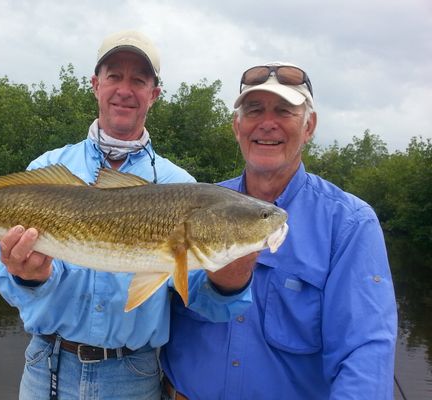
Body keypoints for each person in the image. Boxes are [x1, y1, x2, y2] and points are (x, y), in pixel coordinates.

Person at [0, 30, 254, 400]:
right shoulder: (48, 169)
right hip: (47, 366)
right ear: (95, 84)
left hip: (133, 375)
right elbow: (7, 281)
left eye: (139, 80)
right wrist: (29, 278)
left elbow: (203, 302)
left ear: (155, 93)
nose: (125, 89)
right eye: (114, 76)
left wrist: (230, 280)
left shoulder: (180, 186)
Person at [160, 62, 398, 399]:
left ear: (309, 126)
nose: (267, 124)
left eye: (284, 111)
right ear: (236, 126)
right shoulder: (194, 203)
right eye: (254, 110)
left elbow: (364, 353)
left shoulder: (350, 224)